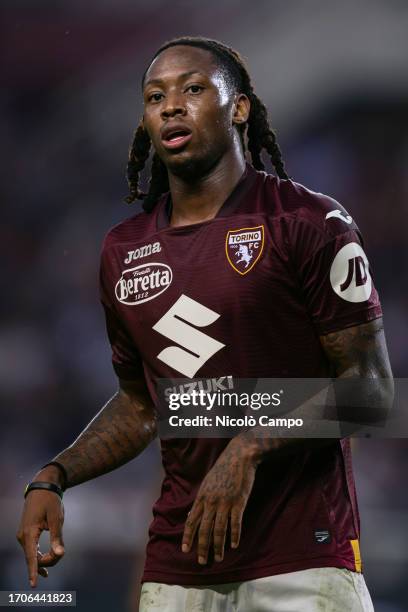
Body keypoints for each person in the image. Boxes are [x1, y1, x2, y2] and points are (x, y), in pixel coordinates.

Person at [17, 37, 393, 611]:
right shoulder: (124, 249)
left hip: (304, 559)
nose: (171, 105)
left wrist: (250, 446)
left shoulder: (310, 221)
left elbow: (370, 393)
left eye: (192, 89)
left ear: (238, 107)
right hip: (179, 565)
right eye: (154, 96)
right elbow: (143, 402)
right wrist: (55, 474)